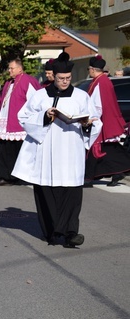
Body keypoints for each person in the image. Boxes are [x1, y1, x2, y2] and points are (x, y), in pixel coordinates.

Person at [12, 58, 101, 247]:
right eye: (61, 78)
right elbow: (23, 117)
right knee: (47, 191)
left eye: (68, 78)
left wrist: (87, 125)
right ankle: (52, 231)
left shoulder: (81, 96)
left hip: (72, 150)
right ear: (53, 77)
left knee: (72, 192)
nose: (65, 81)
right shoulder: (40, 96)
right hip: (47, 151)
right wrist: (44, 116)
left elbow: (95, 120)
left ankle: (70, 233)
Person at [0, 59, 42, 186]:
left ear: (20, 68)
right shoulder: (9, 82)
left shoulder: (27, 81)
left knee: (18, 151)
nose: (9, 71)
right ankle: (5, 176)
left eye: (12, 68)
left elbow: (35, 102)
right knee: (4, 149)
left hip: (18, 124)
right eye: (9, 68)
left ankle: (20, 176)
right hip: (5, 122)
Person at [84, 54, 130, 186]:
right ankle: (116, 173)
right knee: (110, 151)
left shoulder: (101, 82)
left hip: (101, 121)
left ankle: (89, 176)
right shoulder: (101, 80)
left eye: (89, 69)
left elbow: (97, 104)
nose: (89, 72)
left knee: (96, 148)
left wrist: (91, 118)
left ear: (93, 69)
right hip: (104, 120)